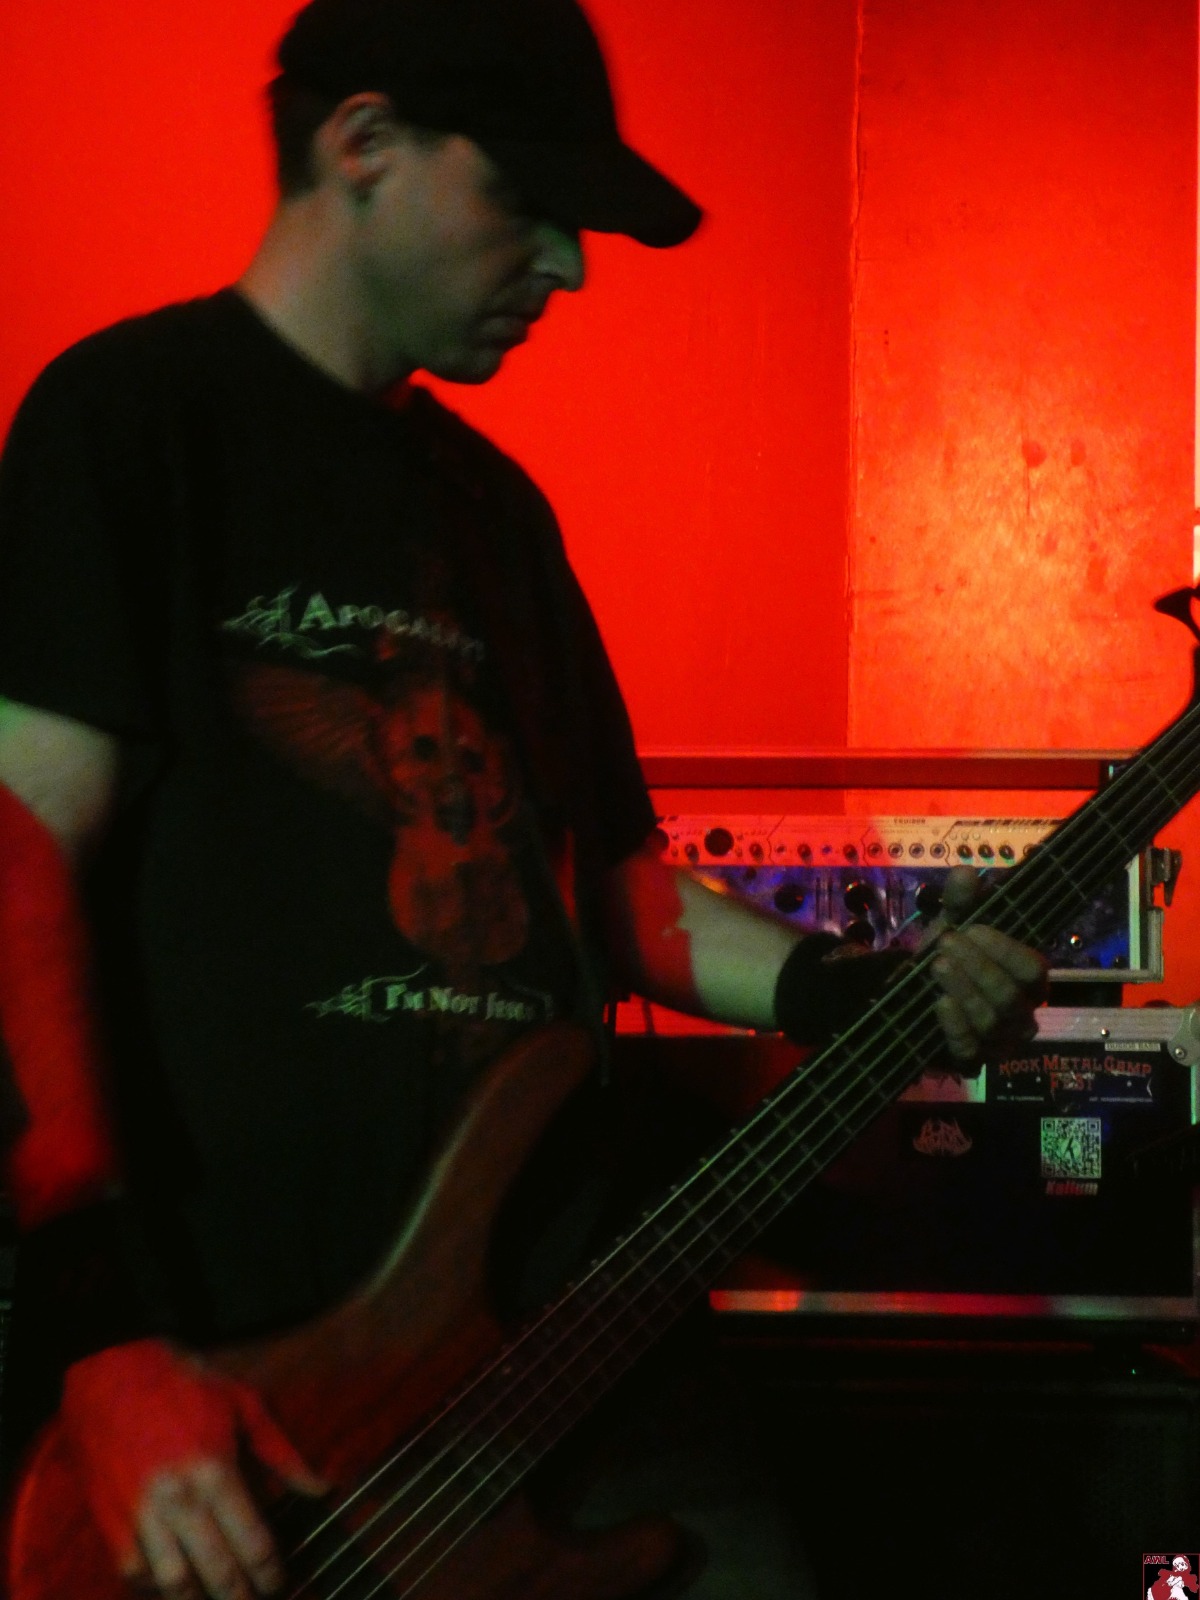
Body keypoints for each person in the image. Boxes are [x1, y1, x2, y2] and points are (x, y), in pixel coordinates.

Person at [0, 1, 1046, 1597]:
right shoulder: (132, 419)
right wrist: (101, 1330)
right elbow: (21, 866)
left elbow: (605, 887)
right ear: (362, 144)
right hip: (275, 1369)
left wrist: (846, 986)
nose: (567, 265)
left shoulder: (497, 511)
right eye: (527, 201)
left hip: (573, 1320)